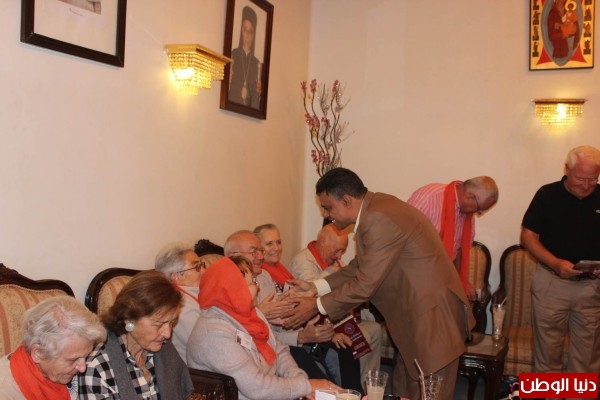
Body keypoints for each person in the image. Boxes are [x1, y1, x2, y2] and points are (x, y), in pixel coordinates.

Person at [282, 167, 474, 400]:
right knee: (405, 390)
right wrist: (315, 287)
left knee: (430, 394)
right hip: (416, 319)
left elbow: (365, 284)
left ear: (346, 200)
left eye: (328, 207)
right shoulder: (376, 209)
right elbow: (359, 266)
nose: (326, 214)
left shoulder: (378, 218)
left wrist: (316, 306)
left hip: (432, 321)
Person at [186, 256, 339, 400]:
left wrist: (298, 378)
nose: (258, 286)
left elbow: (278, 348)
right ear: (235, 289)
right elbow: (255, 387)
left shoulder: (251, 313)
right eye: (252, 282)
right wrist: (306, 386)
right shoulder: (214, 335)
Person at [520, 145, 600, 384]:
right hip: (551, 283)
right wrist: (555, 263)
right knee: (547, 358)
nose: (586, 185)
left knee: (587, 361)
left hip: (591, 287)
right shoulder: (547, 194)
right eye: (580, 178)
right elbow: (527, 237)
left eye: (593, 179)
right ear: (566, 170)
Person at [253, 224, 364, 393]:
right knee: (318, 361)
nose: (276, 248)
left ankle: (356, 395)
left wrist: (326, 332)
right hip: (285, 342)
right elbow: (271, 331)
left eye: (278, 242)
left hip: (297, 331)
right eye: (268, 244)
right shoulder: (254, 281)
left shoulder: (271, 273)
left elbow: (298, 311)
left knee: (345, 348)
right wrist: (302, 336)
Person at [288, 223, 384, 392]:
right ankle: (358, 388)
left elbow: (349, 287)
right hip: (322, 321)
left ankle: (370, 386)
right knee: (358, 339)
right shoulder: (303, 262)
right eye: (337, 250)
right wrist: (331, 274)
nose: (339, 255)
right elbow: (310, 301)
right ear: (323, 242)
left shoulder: (332, 260)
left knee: (375, 329)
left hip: (339, 317)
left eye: (343, 251)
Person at [79, 270, 193, 400]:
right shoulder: (98, 368)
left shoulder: (164, 349)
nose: (167, 334)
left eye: (172, 322)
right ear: (129, 318)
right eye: (158, 324)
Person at [407, 176, 499, 300]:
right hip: (412, 275)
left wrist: (462, 281)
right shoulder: (429, 197)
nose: (478, 214)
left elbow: (460, 250)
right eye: (479, 209)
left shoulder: (468, 215)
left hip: (439, 279)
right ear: (470, 196)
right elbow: (402, 235)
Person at [0, 296, 106, 400]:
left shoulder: (63, 372)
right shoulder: (5, 391)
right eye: (73, 360)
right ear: (38, 353)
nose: (83, 368)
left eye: (86, 357)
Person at [154, 241, 207, 361]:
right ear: (176, 277)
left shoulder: (199, 291)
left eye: (202, 265)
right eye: (197, 267)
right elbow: (203, 347)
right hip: (202, 367)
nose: (204, 271)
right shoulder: (180, 305)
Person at [229, 6, 262, 108]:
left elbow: (255, 104)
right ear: (241, 32)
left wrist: (258, 93)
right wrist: (228, 82)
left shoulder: (257, 64)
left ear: (253, 35)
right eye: (245, 30)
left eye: (250, 31)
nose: (247, 35)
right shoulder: (233, 55)